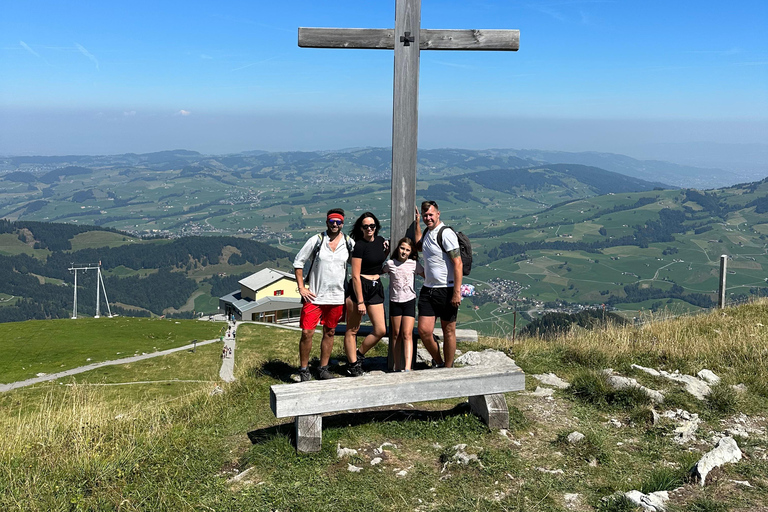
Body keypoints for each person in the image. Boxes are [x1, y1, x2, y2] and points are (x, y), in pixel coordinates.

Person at [293, 208, 354, 381]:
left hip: (337, 296)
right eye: (332, 221)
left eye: (338, 222)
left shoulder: (349, 242)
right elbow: (298, 262)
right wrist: (301, 287)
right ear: (327, 222)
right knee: (307, 333)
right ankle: (304, 369)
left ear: (343, 223)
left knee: (330, 332)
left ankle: (323, 368)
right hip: (314, 296)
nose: (335, 224)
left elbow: (361, 260)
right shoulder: (317, 240)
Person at [415, 200, 462, 368]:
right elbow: (419, 247)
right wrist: (417, 223)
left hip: (446, 289)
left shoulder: (446, 233)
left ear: (438, 214)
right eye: (425, 215)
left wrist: (457, 292)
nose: (428, 218)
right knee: (424, 331)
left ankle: (448, 368)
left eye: (431, 215)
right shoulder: (428, 232)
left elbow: (458, 263)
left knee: (448, 330)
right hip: (428, 289)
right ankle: (439, 361)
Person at [343, 212, 389, 376]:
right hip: (360, 287)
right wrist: (360, 301)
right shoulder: (359, 246)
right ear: (360, 228)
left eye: (372, 225)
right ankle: (352, 364)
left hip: (375, 286)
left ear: (376, 226)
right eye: (365, 226)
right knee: (352, 329)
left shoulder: (380, 241)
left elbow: (378, 260)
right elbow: (355, 275)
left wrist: (387, 250)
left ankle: (358, 355)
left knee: (380, 330)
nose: (369, 228)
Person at [382, 236, 423, 372]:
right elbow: (380, 270)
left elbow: (426, 275)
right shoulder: (391, 264)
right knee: (396, 334)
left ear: (411, 252)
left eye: (407, 250)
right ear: (398, 248)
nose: (404, 252)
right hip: (395, 301)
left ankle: (407, 367)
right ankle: (396, 367)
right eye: (402, 248)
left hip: (409, 301)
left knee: (407, 334)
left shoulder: (414, 264)